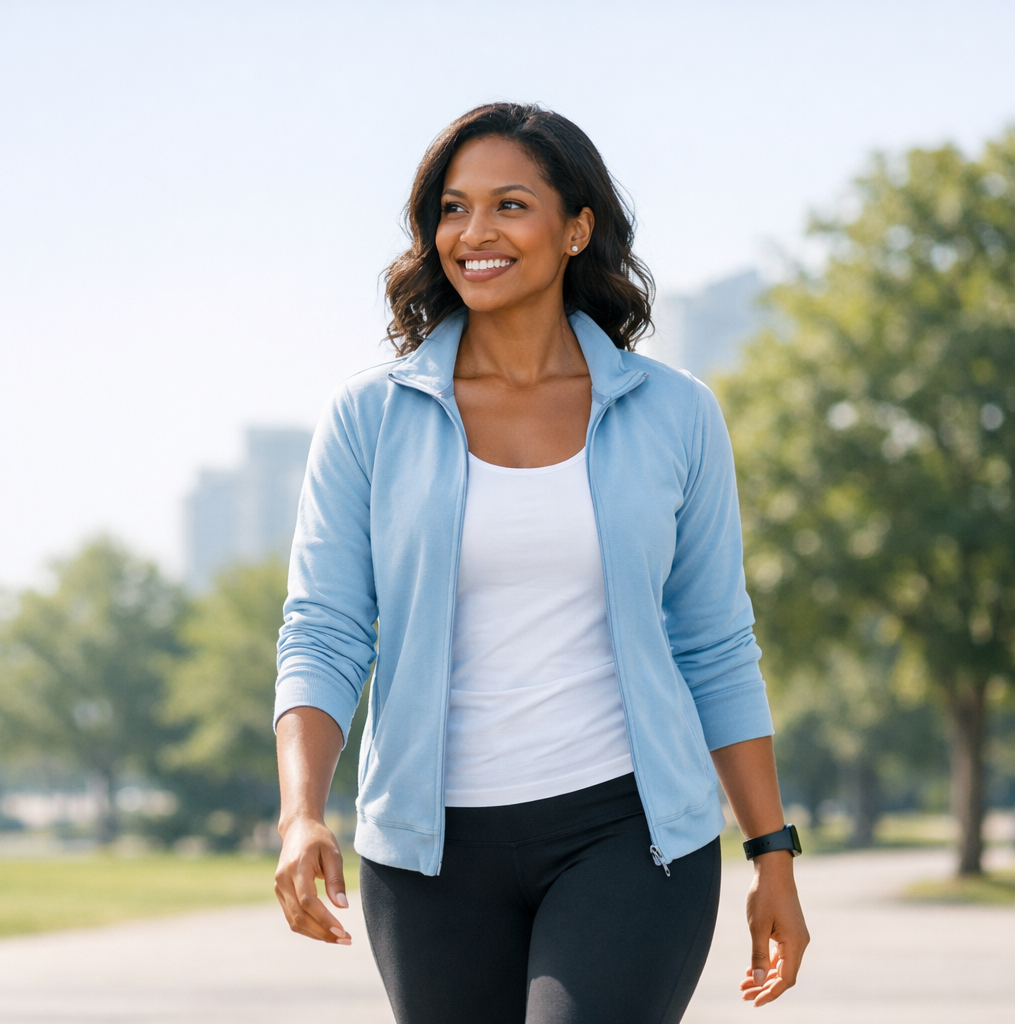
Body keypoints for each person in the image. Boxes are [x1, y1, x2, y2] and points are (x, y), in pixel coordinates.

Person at [271, 103, 810, 1022]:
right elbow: (323, 631)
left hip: (630, 835)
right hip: (427, 852)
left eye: (509, 205)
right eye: (452, 208)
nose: (473, 233)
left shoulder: (675, 415)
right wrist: (301, 814)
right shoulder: (370, 418)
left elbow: (716, 642)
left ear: (577, 229)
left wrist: (772, 853)